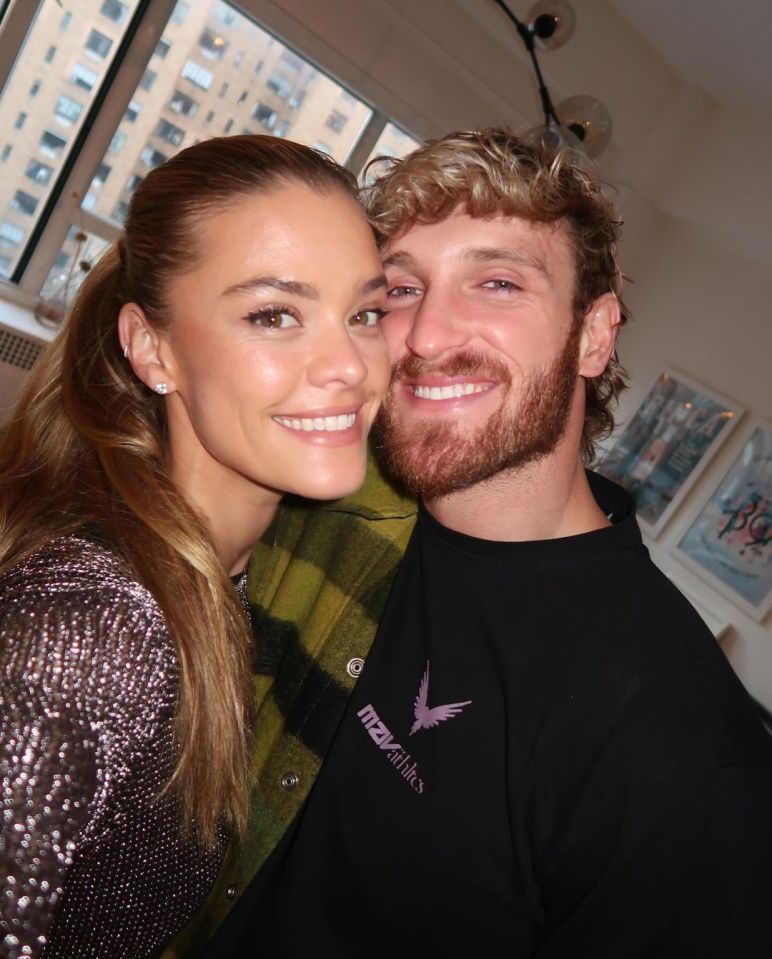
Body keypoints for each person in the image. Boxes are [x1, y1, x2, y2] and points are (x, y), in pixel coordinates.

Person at [190, 129, 772, 957]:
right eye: (398, 289)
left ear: (595, 334)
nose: (427, 335)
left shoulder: (677, 743)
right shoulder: (330, 505)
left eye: (497, 282)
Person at [0, 134, 391, 959]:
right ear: (153, 349)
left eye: (365, 313)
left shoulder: (227, 576)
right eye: (274, 314)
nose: (351, 366)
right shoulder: (95, 628)